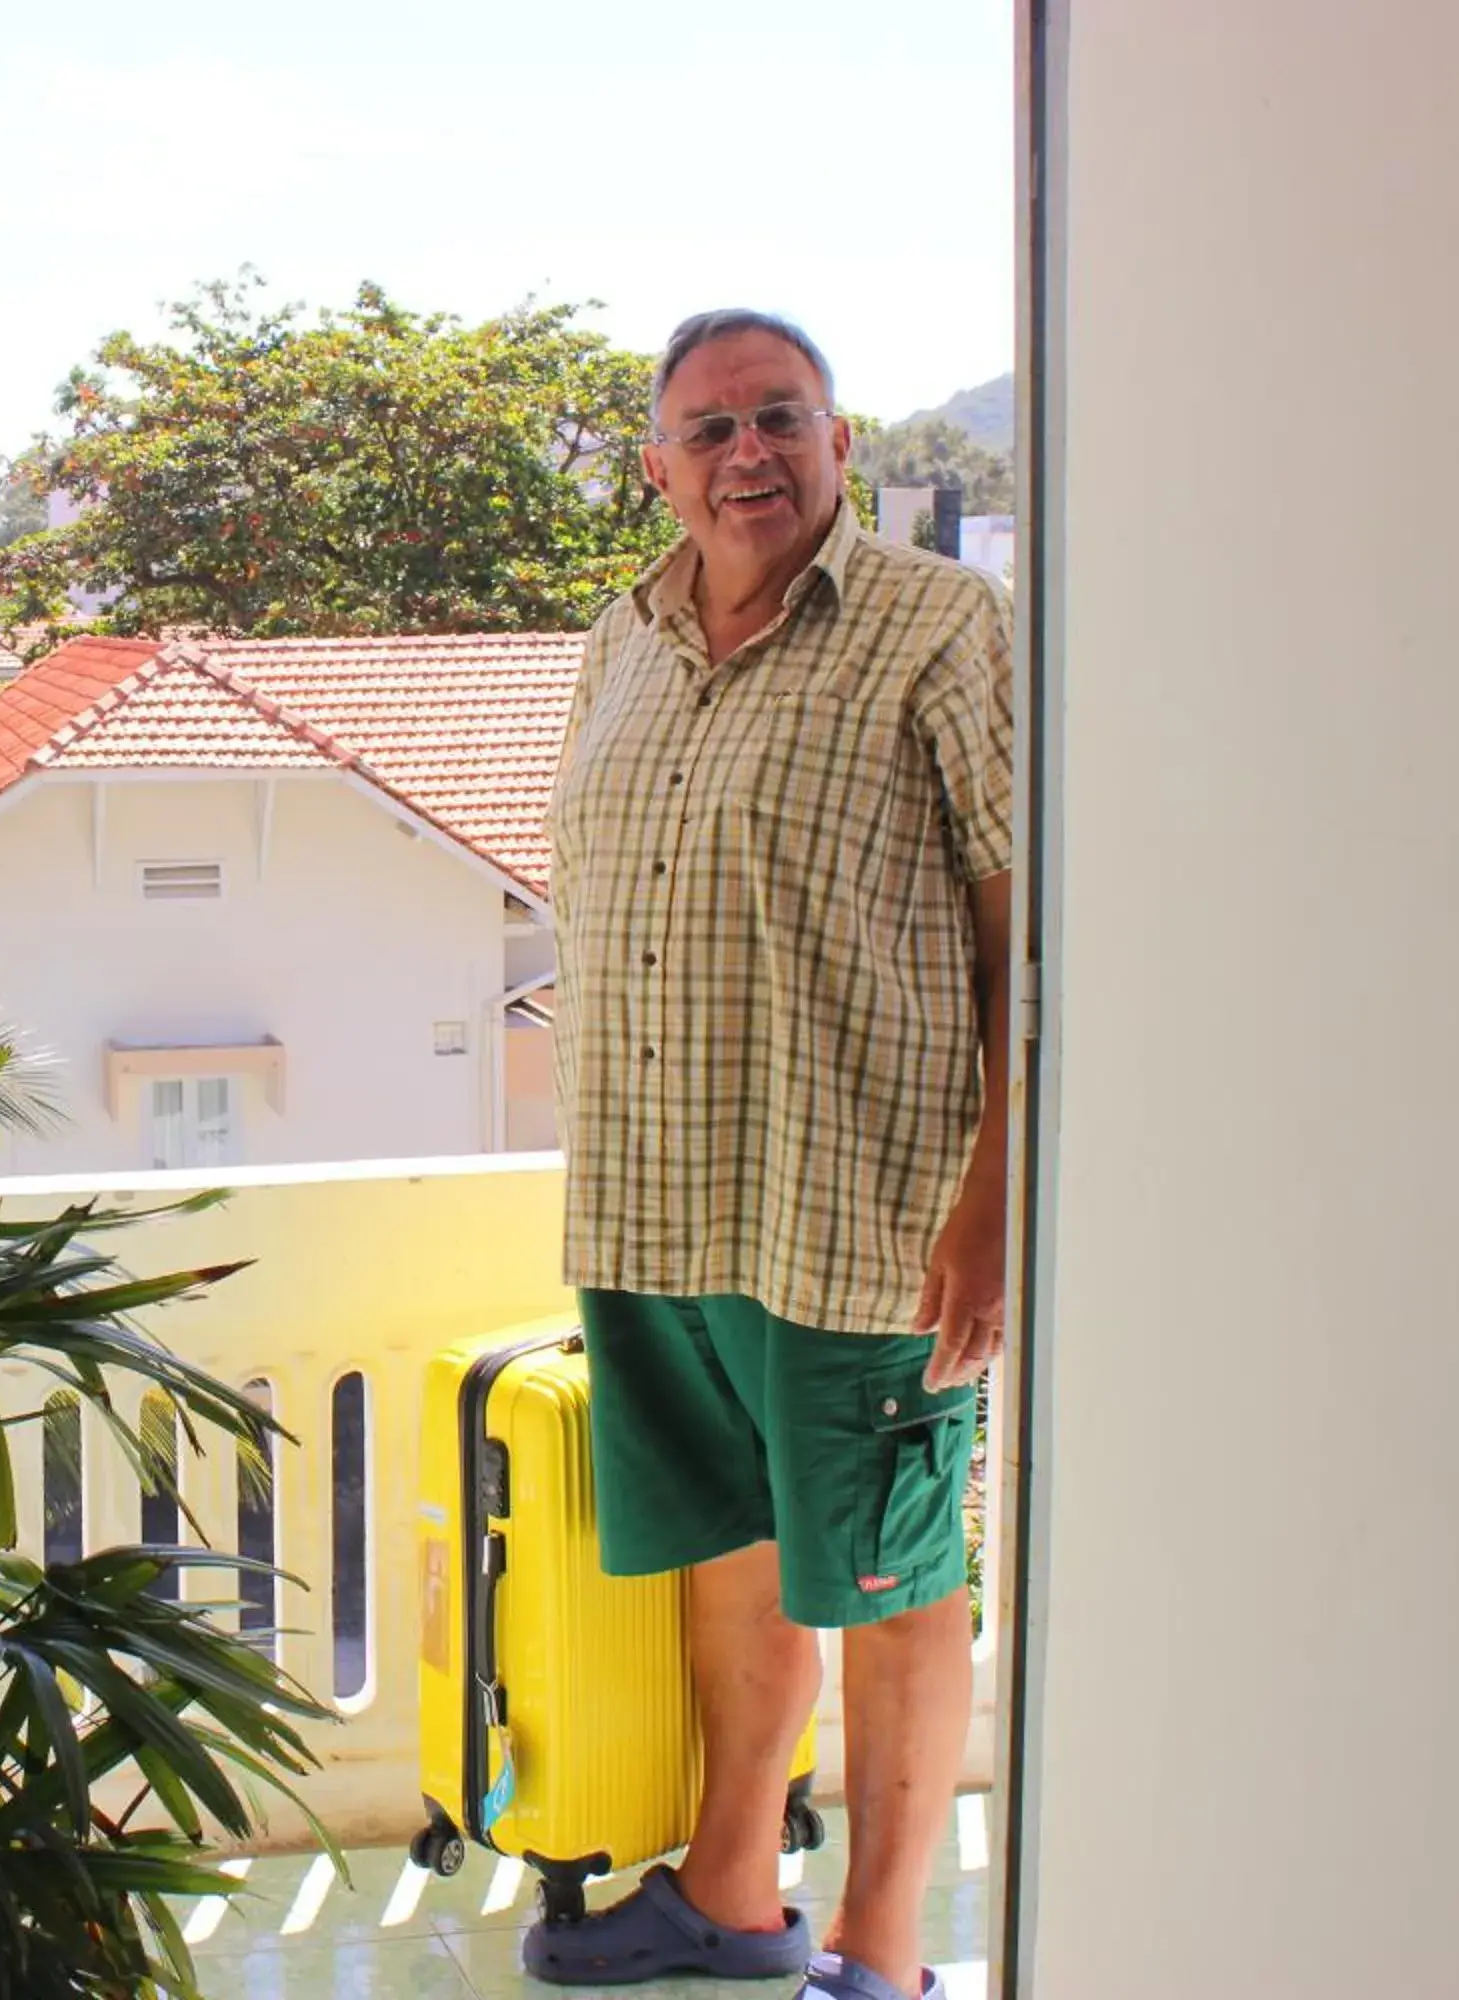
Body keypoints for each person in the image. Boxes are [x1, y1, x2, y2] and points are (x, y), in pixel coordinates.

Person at [533, 309, 1015, 2000]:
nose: (749, 453)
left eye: (781, 418)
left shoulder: (942, 627)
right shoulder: (624, 640)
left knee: (893, 1589)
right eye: (712, 428)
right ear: (659, 467)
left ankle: (881, 1955)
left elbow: (1019, 928)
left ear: (838, 441)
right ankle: (734, 1896)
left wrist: (996, 1196)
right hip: (654, 1201)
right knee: (729, 1562)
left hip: (857, 1206)